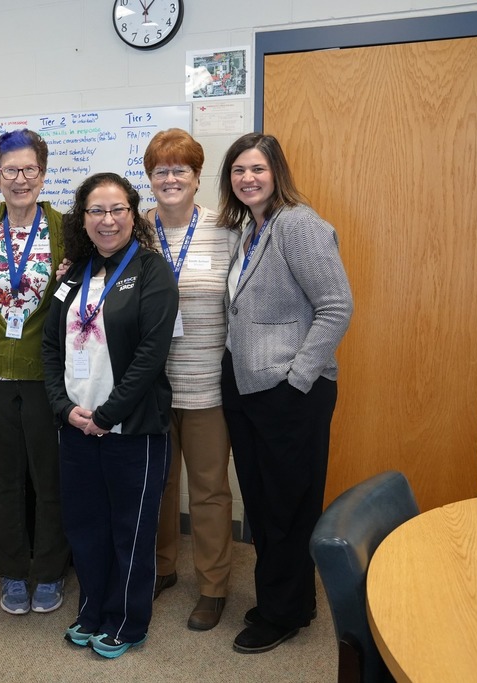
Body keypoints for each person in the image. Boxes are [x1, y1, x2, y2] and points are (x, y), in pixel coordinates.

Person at [217, 133, 354, 653]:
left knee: (287, 506)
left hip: (289, 391)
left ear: (277, 173)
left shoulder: (297, 223)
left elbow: (336, 306)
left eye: (257, 168)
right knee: (264, 501)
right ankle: (289, 599)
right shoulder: (250, 229)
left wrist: (298, 378)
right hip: (247, 386)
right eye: (238, 170)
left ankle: (281, 614)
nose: (247, 178)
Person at [42, 173, 178, 659]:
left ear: (133, 214)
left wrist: (106, 415)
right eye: (96, 210)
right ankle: (91, 611)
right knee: (86, 528)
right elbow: (50, 347)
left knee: (131, 531)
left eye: (118, 209)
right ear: (82, 219)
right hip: (77, 427)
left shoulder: (153, 271)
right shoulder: (72, 275)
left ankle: (127, 621)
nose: (107, 220)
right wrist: (65, 410)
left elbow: (150, 356)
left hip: (132, 429)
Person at [0, 129, 70, 615]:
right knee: (0, 478)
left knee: (51, 479)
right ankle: (10, 571)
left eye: (30, 169)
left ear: (43, 174)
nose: (20, 179)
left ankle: (48, 571)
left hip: (47, 373)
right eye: (11, 170)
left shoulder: (67, 229)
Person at [144, 129, 238, 631]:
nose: (171, 178)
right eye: (161, 170)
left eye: (181, 169)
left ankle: (213, 585)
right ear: (150, 178)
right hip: (150, 387)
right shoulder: (135, 229)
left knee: (209, 490)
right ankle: (162, 568)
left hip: (207, 386)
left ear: (198, 176)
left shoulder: (226, 229)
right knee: (157, 486)